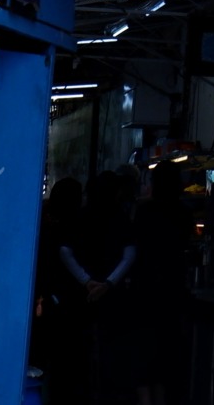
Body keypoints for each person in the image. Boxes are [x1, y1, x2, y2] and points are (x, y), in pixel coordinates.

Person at [66, 171, 142, 405]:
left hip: (82, 297)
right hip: (114, 298)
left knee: (80, 354)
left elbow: (65, 251)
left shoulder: (80, 217)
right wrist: (108, 284)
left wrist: (86, 281)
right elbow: (129, 255)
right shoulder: (120, 218)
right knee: (111, 355)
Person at [133, 162, 200, 405]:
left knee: (145, 353)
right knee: (166, 354)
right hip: (173, 290)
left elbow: (136, 248)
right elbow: (186, 246)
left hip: (145, 290)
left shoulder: (144, 211)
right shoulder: (183, 212)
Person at [37, 178, 88, 405]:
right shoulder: (71, 224)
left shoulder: (45, 219)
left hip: (45, 294)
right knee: (63, 358)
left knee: (45, 357)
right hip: (63, 296)